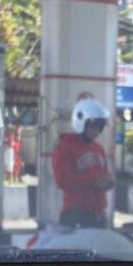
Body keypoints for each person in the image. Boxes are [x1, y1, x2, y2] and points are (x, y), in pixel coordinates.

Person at [52, 98, 114, 229]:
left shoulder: (99, 149)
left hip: (99, 215)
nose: (96, 131)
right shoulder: (65, 148)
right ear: (81, 122)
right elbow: (62, 180)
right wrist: (94, 181)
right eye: (93, 126)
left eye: (100, 127)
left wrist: (108, 182)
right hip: (75, 214)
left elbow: (104, 176)